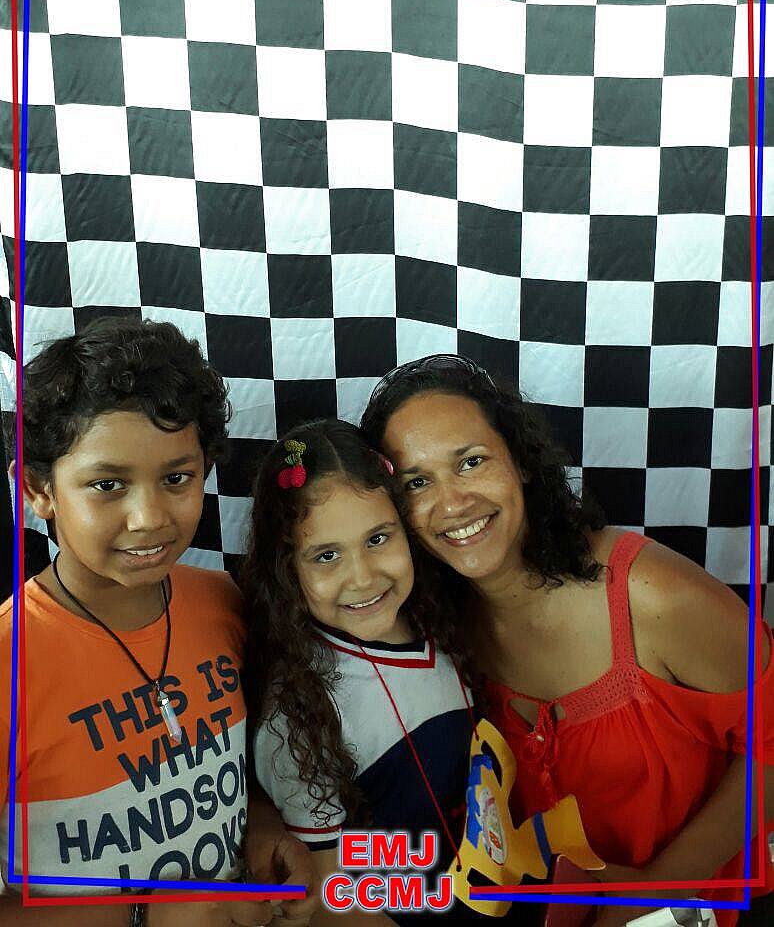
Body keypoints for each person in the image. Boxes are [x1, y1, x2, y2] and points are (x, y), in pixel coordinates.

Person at [360, 353, 774, 927]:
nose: (451, 503)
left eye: (472, 462)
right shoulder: (435, 626)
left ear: (521, 463)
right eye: (417, 482)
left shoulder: (648, 594)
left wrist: (658, 888)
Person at [0, 318, 317, 926]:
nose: (148, 517)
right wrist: (149, 912)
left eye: (176, 478)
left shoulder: (223, 603)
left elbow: (233, 775)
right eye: (107, 484)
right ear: (38, 489)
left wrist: (263, 833)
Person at [242, 418, 539, 925]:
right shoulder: (298, 713)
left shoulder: (447, 621)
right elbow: (335, 898)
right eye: (327, 556)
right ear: (286, 570)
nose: (362, 577)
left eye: (378, 538)